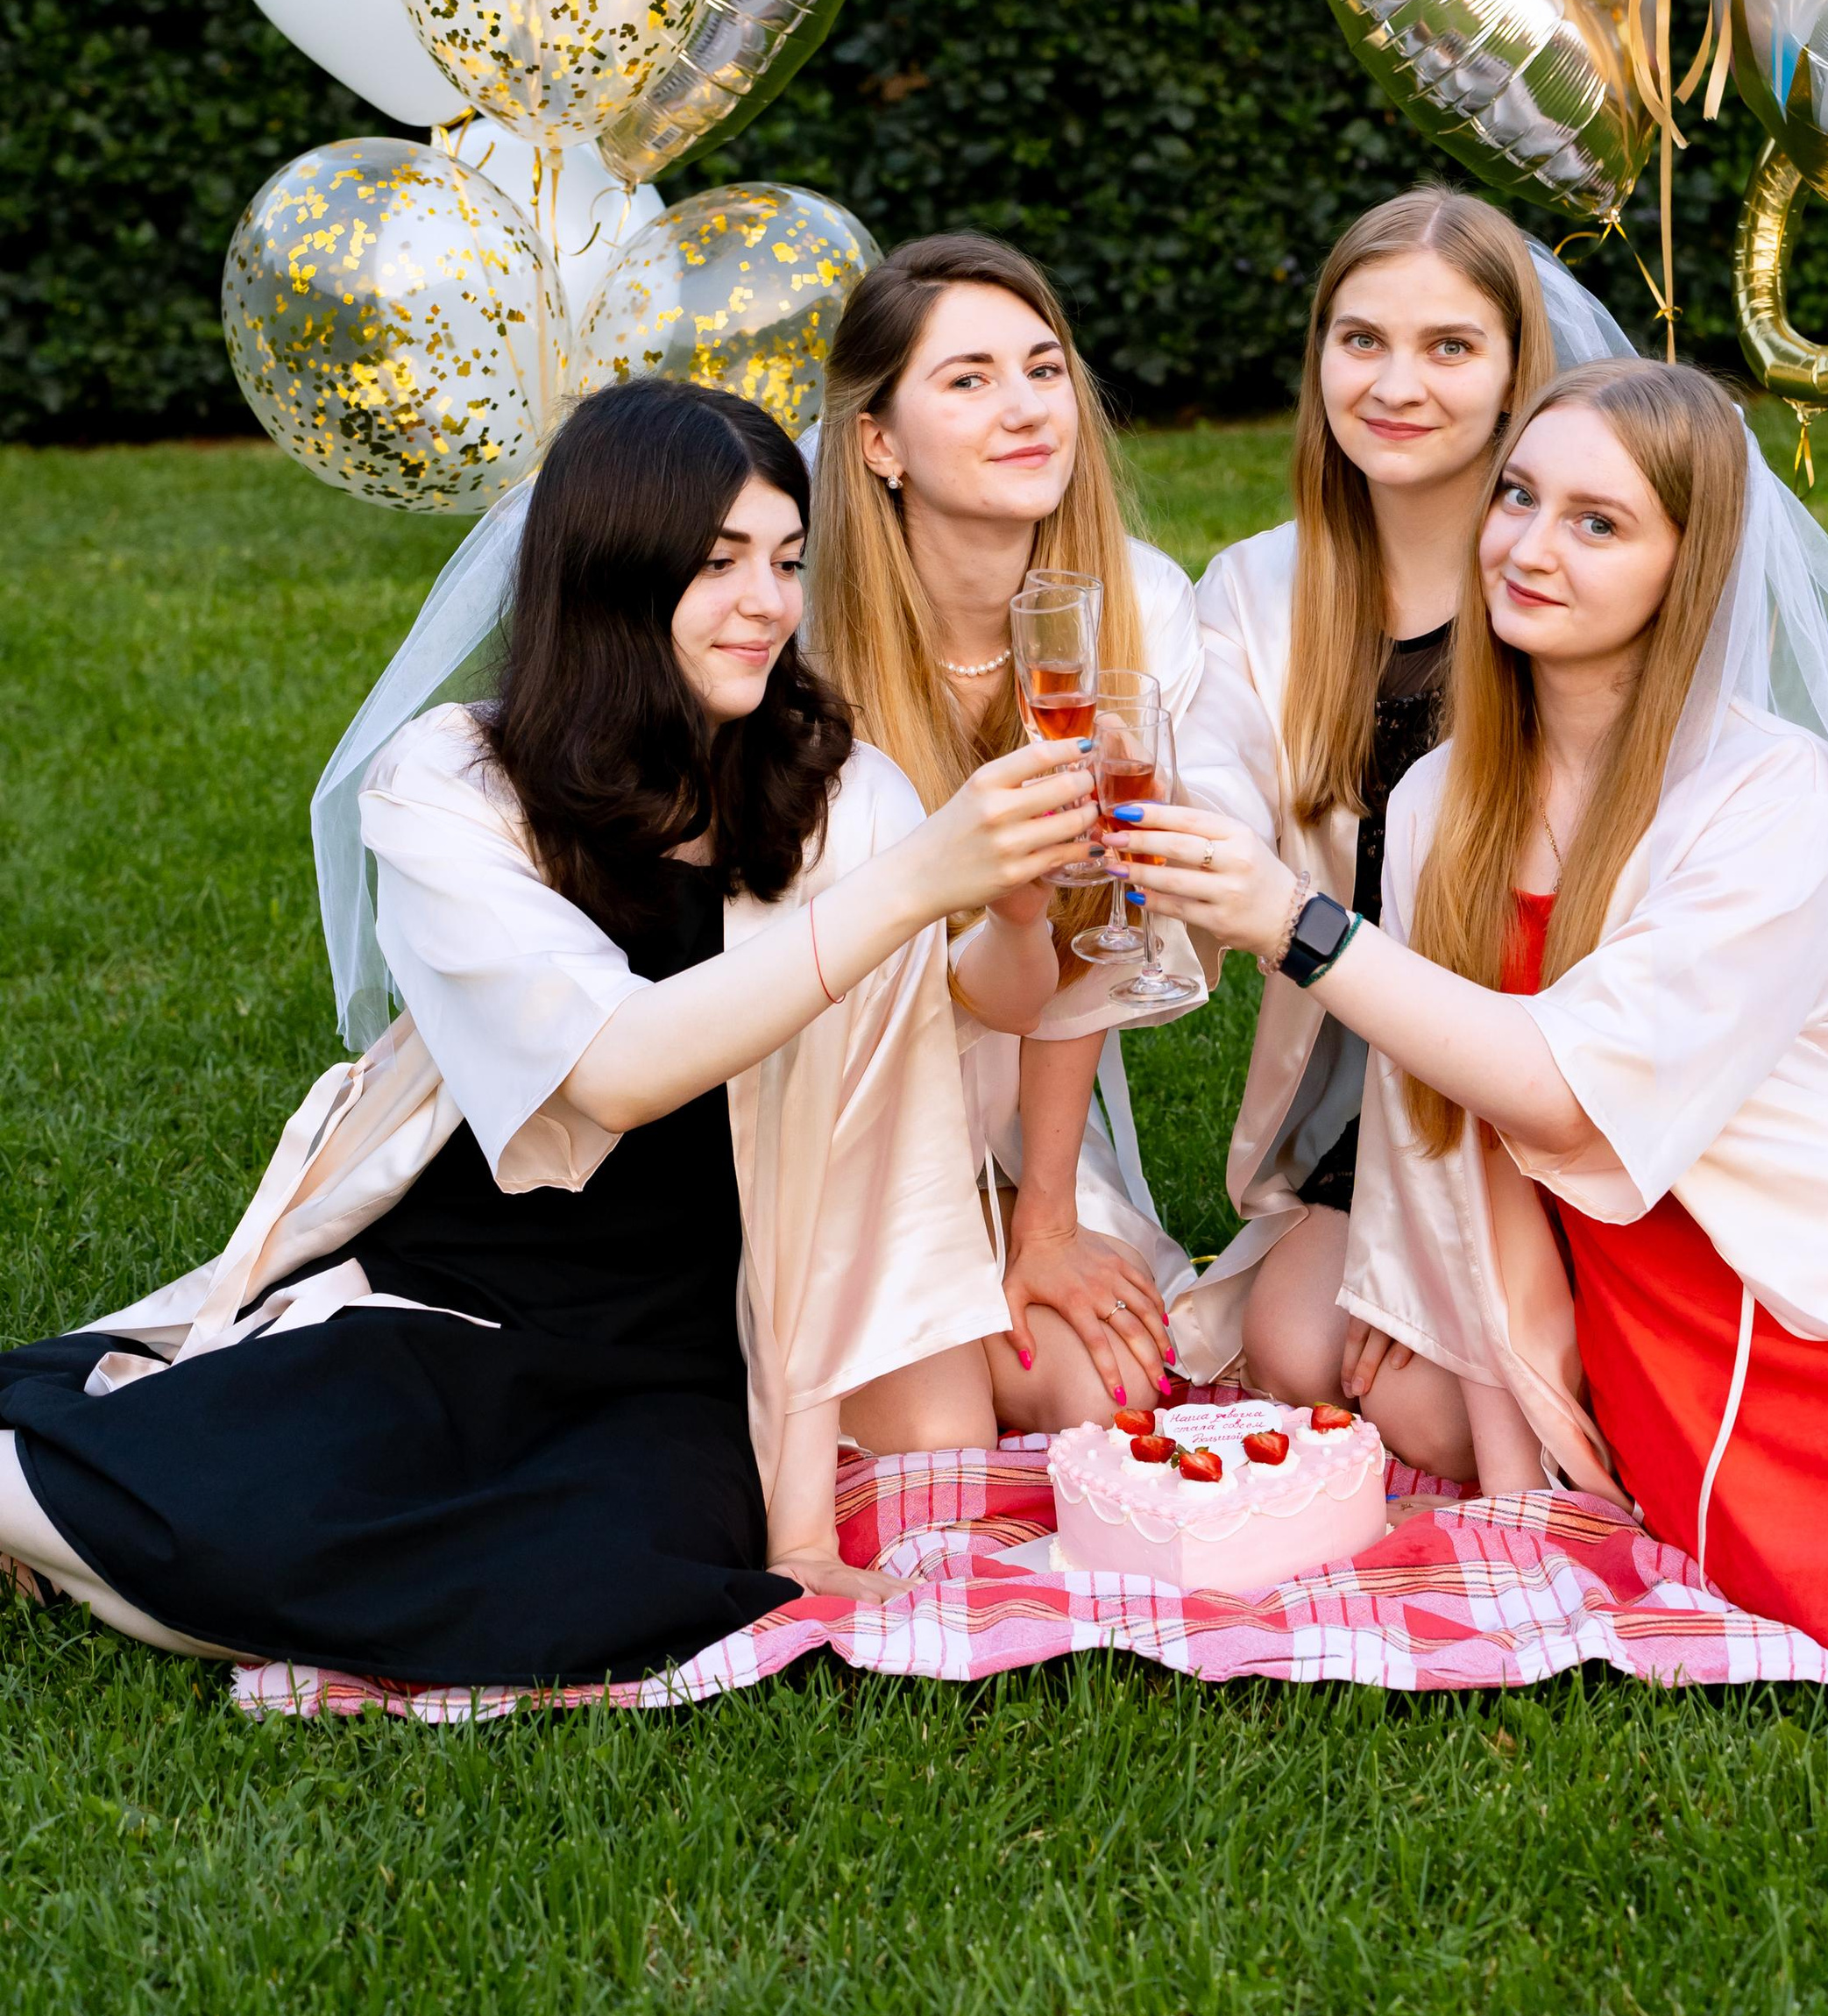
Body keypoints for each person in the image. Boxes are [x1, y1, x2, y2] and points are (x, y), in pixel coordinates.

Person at [1114, 357, 1828, 1727]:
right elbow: (1451, 1136)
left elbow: (1562, 1093)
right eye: (1519, 497)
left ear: (1686, 568)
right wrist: (1497, 1420)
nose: (1530, 546)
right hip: (1668, 1346)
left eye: (1598, 522)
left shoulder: (1771, 797)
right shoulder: (1439, 803)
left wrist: (1300, 927)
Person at [0, 381, 1100, 1685]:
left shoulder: (843, 792)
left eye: (788, 561)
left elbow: (877, 1122)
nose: (767, 603)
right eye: (717, 564)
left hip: (681, 1340)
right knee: (264, 1505)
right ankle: (49, 1502)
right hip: (465, 1294)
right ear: (611, 577)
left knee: (627, 1588)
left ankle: (85, 1545)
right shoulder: (456, 785)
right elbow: (618, 1070)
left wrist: (802, 1529)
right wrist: (920, 880)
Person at [1168, 188, 1627, 1442]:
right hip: (1375, 1078)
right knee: (1297, 1344)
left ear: (1517, 371)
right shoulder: (1259, 586)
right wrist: (1200, 836)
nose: (1396, 384)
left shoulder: (1558, 583)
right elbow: (1211, 771)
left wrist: (1443, 1236)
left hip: (1552, 1077)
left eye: (1449, 347)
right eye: (1361, 339)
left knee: (1438, 1410)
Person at [809, 231, 1202, 1434]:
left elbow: (1096, 934)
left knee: (1104, 1391)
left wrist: (1046, 1220)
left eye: (1043, 368)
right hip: (833, 1114)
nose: (1026, 407)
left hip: (1011, 1104)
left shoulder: (1141, 607)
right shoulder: (802, 643)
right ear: (879, 443)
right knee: (942, 1433)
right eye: (969, 379)